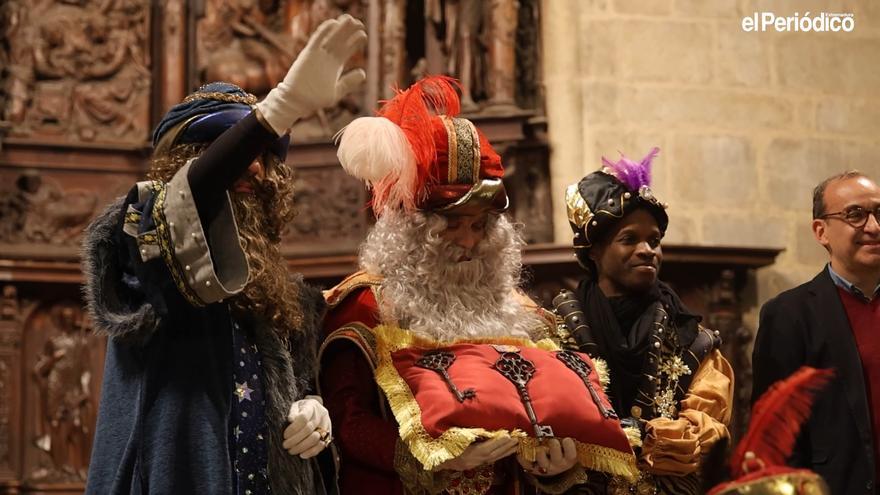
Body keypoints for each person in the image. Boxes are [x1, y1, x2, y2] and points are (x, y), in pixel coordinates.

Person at [81, 15, 366, 494]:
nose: (252, 167)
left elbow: (293, 385)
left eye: (265, 154)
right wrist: (276, 111)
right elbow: (189, 198)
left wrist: (312, 409)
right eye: (229, 150)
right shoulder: (140, 232)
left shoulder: (286, 293)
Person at [319, 76, 587, 494]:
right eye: (451, 225)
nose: (469, 241)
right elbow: (345, 420)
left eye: (480, 226)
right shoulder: (367, 305)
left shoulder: (523, 315)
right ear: (410, 227)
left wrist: (555, 468)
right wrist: (435, 459)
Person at [555, 148, 733, 494]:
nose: (648, 250)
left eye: (654, 240)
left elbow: (709, 434)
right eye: (629, 239)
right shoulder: (552, 332)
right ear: (593, 251)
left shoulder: (692, 339)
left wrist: (637, 438)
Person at [751, 171, 880, 495]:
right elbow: (774, 435)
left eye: (879, 213)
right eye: (855, 215)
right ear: (821, 231)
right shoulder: (788, 315)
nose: (874, 227)